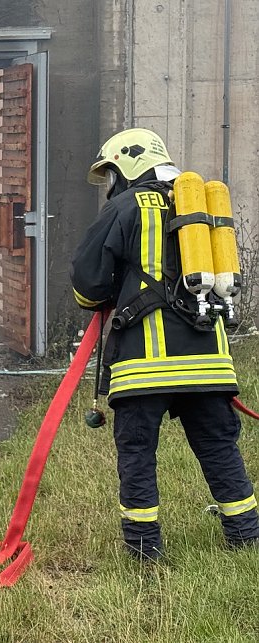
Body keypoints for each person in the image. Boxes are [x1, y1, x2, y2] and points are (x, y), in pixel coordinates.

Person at [70, 127, 259, 561]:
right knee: (219, 449)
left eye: (112, 174)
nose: (111, 184)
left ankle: (143, 549)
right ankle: (246, 538)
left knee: (137, 454)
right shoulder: (201, 204)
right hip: (210, 363)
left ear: (127, 165)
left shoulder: (125, 207)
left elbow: (88, 283)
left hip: (145, 366)